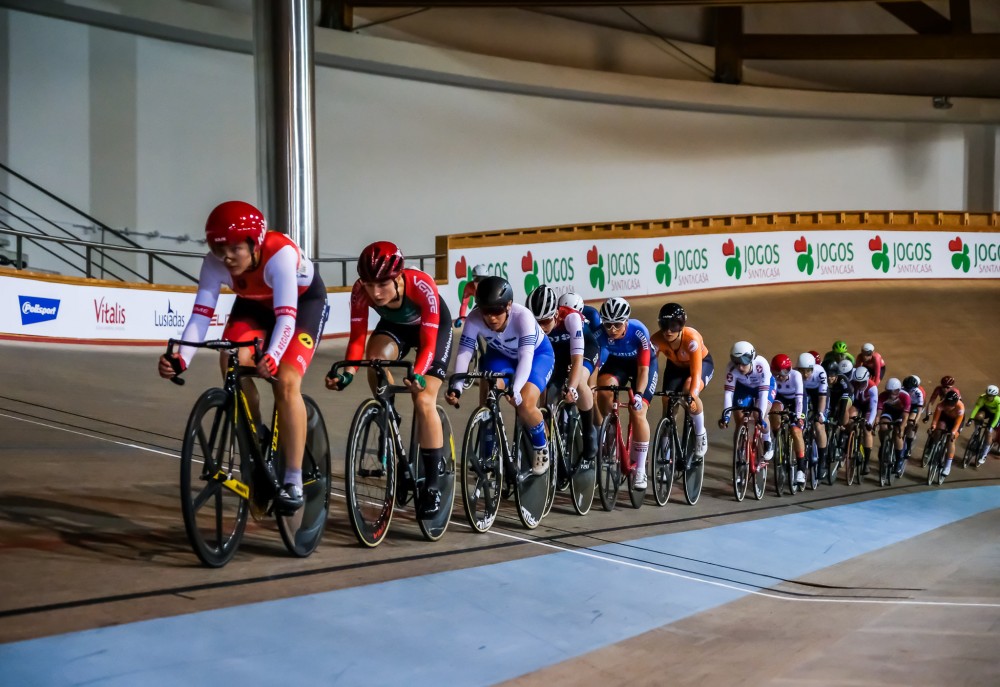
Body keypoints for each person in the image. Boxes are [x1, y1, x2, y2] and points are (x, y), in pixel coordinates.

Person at [159, 200, 328, 513]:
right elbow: (200, 316)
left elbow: (286, 319)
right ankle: (258, 433)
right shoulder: (214, 263)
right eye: (217, 248)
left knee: (286, 382)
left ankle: (292, 480)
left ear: (255, 242)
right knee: (230, 359)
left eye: (235, 248)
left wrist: (274, 357)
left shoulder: (280, 255)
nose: (226, 257)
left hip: (302, 306)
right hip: (253, 306)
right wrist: (182, 359)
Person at [326, 241, 453, 515]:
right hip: (395, 328)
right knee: (375, 358)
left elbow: (429, 344)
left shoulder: (421, 286)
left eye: (382, 285)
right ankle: (388, 409)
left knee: (424, 399)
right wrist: (348, 374)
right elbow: (357, 338)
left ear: (398, 278)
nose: (375, 292)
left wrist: (418, 374)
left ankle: (432, 486)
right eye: (369, 284)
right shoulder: (361, 292)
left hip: (432, 330)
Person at [447, 276, 554, 475]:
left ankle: (541, 446)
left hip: (538, 355)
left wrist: (515, 389)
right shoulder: (474, 318)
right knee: (489, 396)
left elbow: (525, 358)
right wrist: (457, 387)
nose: (491, 318)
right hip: (501, 355)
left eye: (496, 311)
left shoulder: (523, 317)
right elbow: (465, 352)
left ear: (509, 306)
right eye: (486, 311)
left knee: (525, 404)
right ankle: (489, 453)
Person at [526, 287, 600, 466]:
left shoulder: (571, 319)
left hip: (584, 349)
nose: (541, 328)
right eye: (537, 323)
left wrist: (572, 387)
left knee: (580, 380)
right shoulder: (529, 323)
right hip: (556, 353)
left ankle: (589, 431)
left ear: (556, 315)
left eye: (544, 322)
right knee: (548, 394)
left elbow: (577, 360)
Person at [594, 297, 657, 489]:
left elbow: (644, 371)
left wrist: (638, 395)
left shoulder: (639, 331)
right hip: (617, 365)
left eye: (617, 324)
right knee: (603, 388)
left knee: (638, 412)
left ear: (626, 322)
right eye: (608, 324)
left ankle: (640, 470)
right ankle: (610, 428)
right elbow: (594, 366)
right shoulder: (597, 334)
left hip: (642, 365)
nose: (612, 329)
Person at [650, 302, 713, 458]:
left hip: (701, 364)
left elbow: (696, 371)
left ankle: (700, 433)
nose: (668, 331)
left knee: (688, 390)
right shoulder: (656, 340)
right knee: (667, 401)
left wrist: (692, 394)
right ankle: (665, 454)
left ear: (682, 325)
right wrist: (646, 391)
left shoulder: (691, 339)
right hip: (675, 368)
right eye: (664, 325)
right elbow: (650, 368)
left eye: (674, 325)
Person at [719, 341, 775, 463]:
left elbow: (763, 395)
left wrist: (760, 416)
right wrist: (726, 417)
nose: (740, 367)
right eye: (737, 363)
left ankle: (767, 440)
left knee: (759, 414)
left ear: (751, 359)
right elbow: (729, 394)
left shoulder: (761, 364)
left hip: (764, 386)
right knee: (740, 421)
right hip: (743, 388)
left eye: (744, 363)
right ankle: (739, 456)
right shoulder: (731, 368)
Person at [769, 354, 806, 486]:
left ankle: (801, 470)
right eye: (776, 373)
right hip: (781, 398)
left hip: (796, 400)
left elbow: (799, 399)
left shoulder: (796, 375)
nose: (780, 377)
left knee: (796, 431)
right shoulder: (771, 376)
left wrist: (797, 416)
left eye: (784, 373)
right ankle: (776, 438)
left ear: (789, 369)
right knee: (773, 411)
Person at [796, 352, 829, 480]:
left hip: (818, 394)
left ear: (812, 369)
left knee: (818, 425)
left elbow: (822, 397)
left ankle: (822, 462)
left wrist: (820, 413)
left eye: (808, 371)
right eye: (802, 371)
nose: (805, 375)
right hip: (803, 393)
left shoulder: (820, 373)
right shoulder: (795, 374)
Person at [876, 377, 911, 477]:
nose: (892, 394)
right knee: (883, 426)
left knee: (897, 434)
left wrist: (902, 428)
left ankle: (899, 459)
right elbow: (878, 414)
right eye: (889, 392)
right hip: (888, 413)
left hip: (900, 415)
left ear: (899, 390)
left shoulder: (905, 397)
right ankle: (884, 445)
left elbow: (905, 417)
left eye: (894, 392)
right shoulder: (883, 396)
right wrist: (876, 423)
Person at [846, 365, 878, 474]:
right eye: (857, 383)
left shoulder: (872, 388)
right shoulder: (852, 383)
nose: (859, 385)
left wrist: (869, 423)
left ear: (867, 380)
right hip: (857, 404)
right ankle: (848, 441)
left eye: (862, 383)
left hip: (868, 407)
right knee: (849, 420)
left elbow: (874, 408)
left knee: (867, 430)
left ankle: (867, 463)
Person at [928, 390, 964, 476]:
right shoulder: (940, 405)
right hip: (944, 418)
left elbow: (957, 424)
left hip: (955, 421)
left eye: (951, 404)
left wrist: (953, 433)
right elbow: (935, 420)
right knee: (938, 428)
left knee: (951, 440)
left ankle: (948, 466)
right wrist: (933, 427)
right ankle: (934, 447)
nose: (949, 406)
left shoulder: (960, 408)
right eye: (948, 403)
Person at [964, 384, 1000, 465]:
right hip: (986, 411)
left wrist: (991, 426)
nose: (988, 397)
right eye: (988, 395)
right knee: (979, 416)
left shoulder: (998, 401)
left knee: (988, 433)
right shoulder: (982, 397)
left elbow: (997, 416)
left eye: (991, 396)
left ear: (995, 395)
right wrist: (971, 419)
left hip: (995, 415)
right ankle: (977, 430)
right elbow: (977, 408)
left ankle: (984, 455)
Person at [901, 375, 925, 460]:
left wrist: (916, 420)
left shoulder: (919, 393)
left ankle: (908, 447)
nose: (908, 391)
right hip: (905, 404)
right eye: (906, 389)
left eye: (910, 389)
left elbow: (919, 409)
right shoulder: (901, 389)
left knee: (910, 423)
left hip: (915, 406)